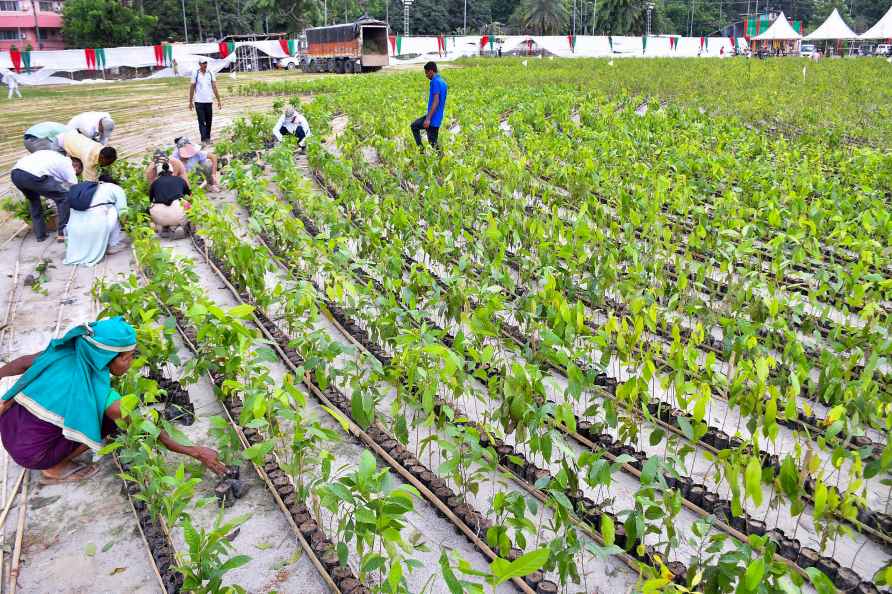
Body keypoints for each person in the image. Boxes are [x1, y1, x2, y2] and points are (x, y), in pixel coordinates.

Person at [0, 317, 226, 482]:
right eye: (127, 357)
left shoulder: (63, 353)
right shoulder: (104, 397)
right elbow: (143, 428)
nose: (130, 363)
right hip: (33, 455)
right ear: (106, 357)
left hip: (9, 431)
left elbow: (21, 363)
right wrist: (196, 452)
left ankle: (50, 449)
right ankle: (55, 468)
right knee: (109, 422)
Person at [10, 150, 81, 243]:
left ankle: (40, 235)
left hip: (16, 174)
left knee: (34, 202)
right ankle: (63, 234)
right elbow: (75, 187)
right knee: (63, 198)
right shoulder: (67, 164)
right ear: (76, 166)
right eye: (78, 173)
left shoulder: (56, 157)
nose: (76, 174)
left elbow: (54, 182)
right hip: (32, 175)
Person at [64, 178, 129, 266]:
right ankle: (113, 244)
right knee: (114, 208)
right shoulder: (116, 188)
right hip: (96, 227)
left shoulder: (86, 189)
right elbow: (123, 213)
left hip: (73, 231)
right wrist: (128, 227)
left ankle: (83, 245)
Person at [148, 155, 191, 238]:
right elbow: (189, 195)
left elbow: (151, 200)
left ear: (158, 172)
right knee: (188, 204)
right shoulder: (180, 180)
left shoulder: (155, 183)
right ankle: (180, 226)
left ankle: (163, 227)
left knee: (152, 206)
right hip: (178, 214)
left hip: (159, 217)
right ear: (171, 170)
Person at [410, 62, 447, 152]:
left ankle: (422, 151)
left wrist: (428, 119)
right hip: (437, 117)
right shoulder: (443, 82)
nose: (426, 75)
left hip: (432, 119)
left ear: (431, 71)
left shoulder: (435, 82)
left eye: (426, 73)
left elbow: (436, 101)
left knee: (433, 145)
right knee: (415, 126)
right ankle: (424, 152)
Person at [189, 57, 222, 144]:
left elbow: (214, 87)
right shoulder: (195, 73)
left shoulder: (210, 73)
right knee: (201, 121)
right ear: (199, 64)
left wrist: (219, 100)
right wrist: (190, 101)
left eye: (206, 63)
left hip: (208, 101)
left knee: (209, 120)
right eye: (203, 63)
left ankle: (208, 138)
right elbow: (192, 87)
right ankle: (203, 139)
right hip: (199, 101)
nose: (205, 65)